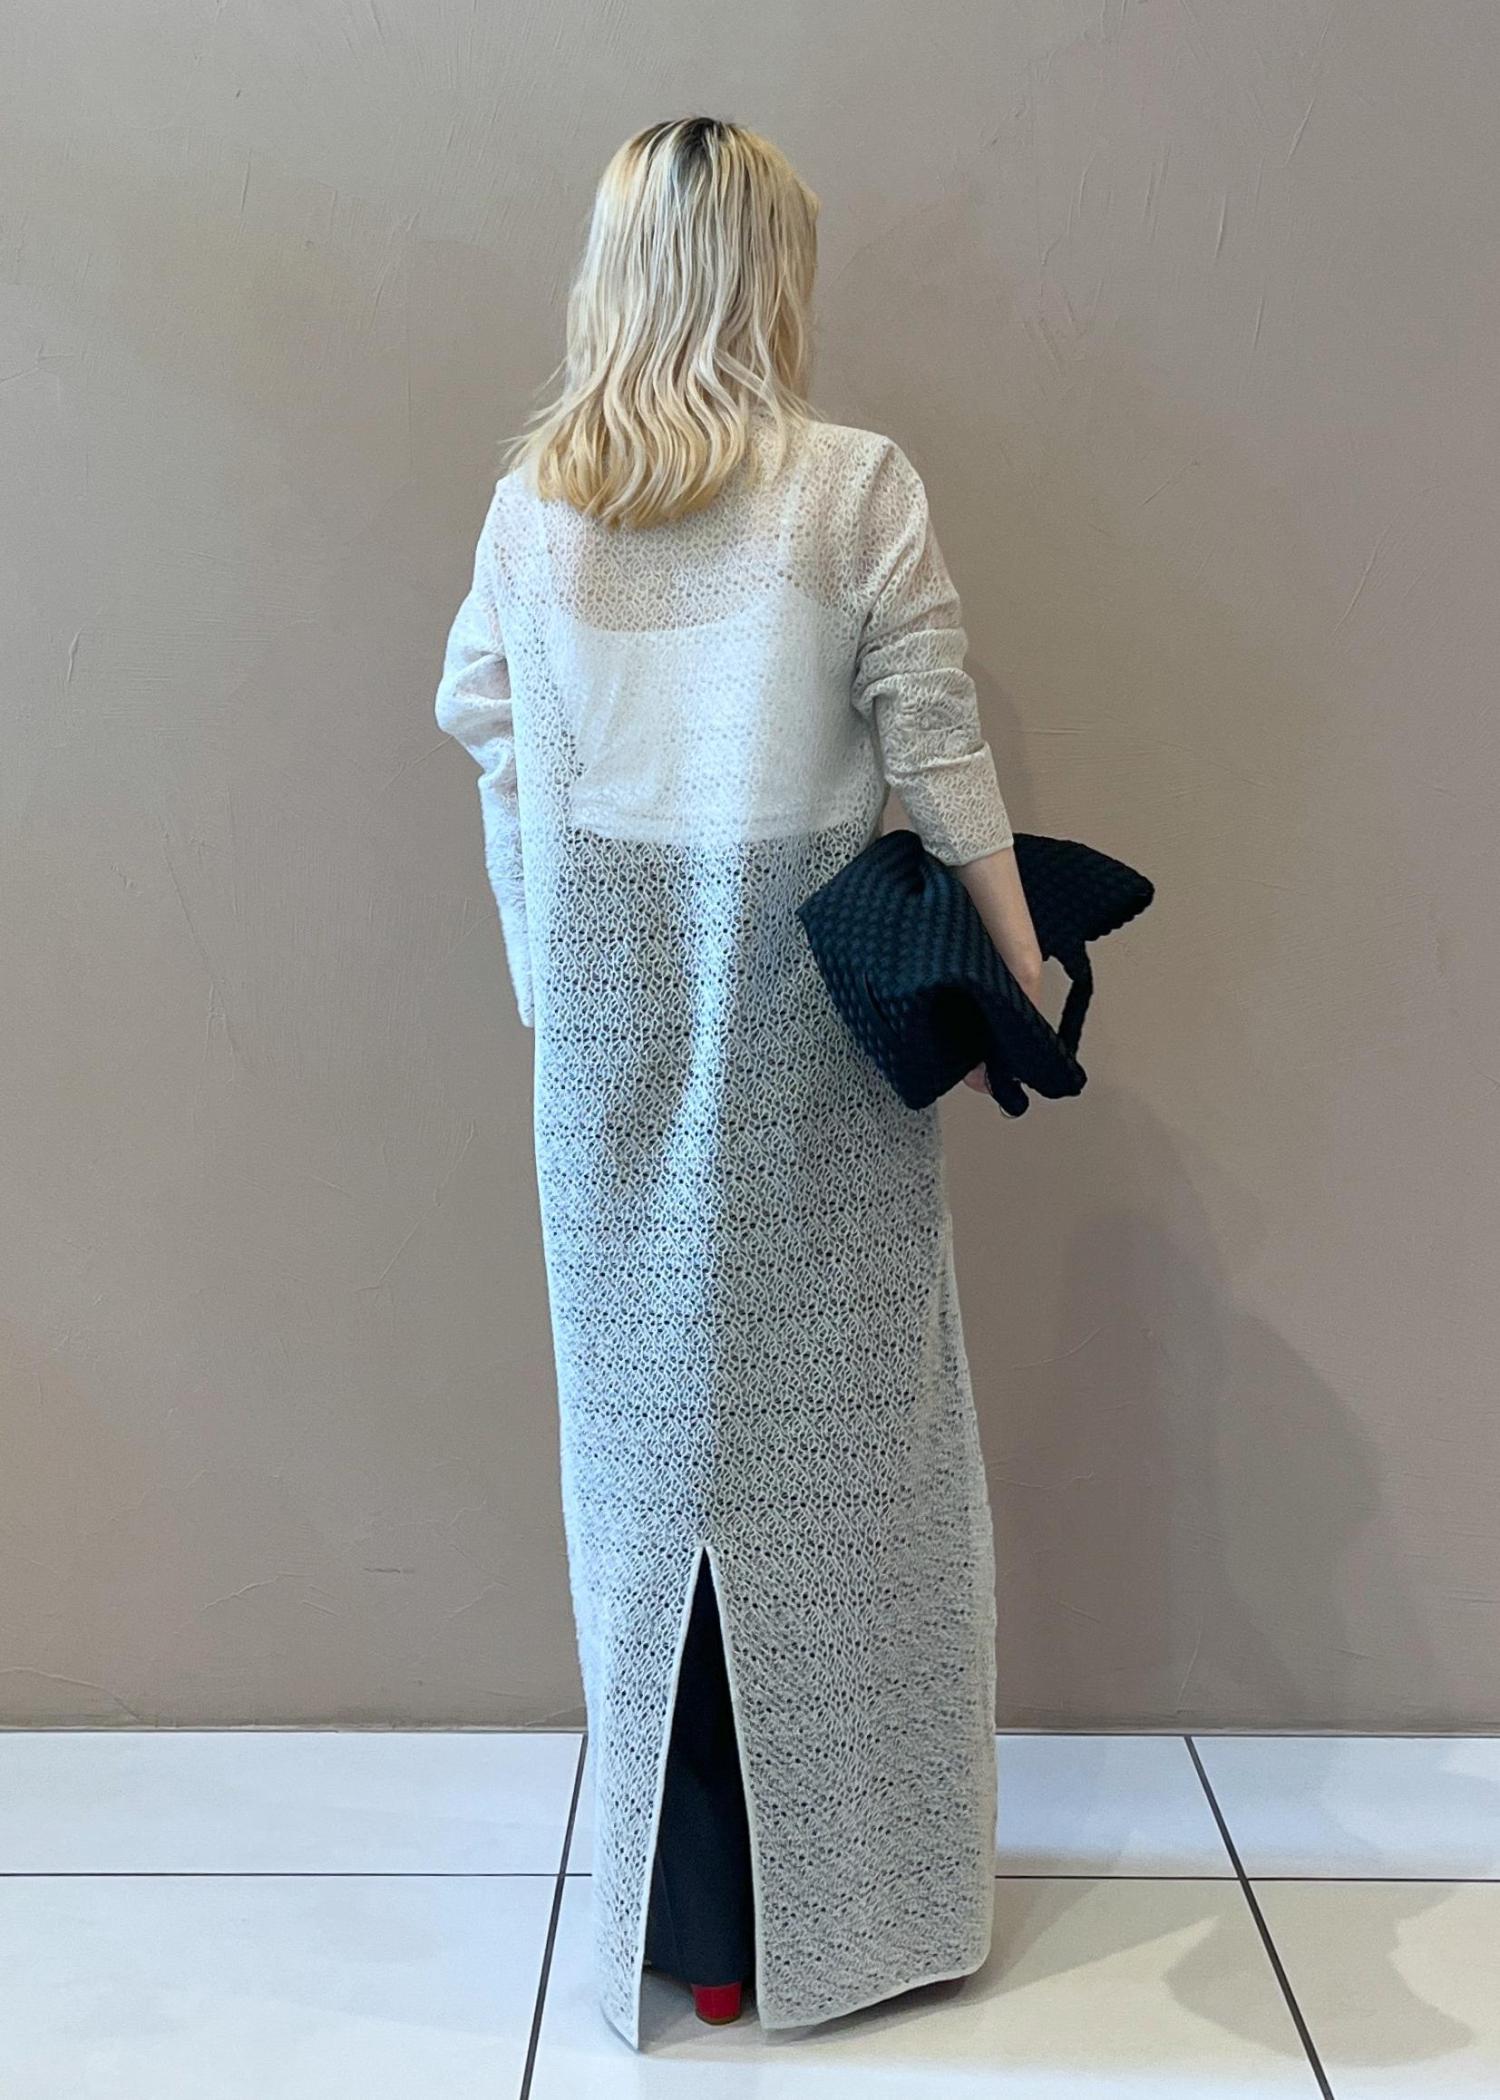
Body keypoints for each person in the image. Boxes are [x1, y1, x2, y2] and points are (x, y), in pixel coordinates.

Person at [433, 115, 1045, 2053]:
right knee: (856, 1473)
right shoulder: (854, 489)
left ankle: (686, 1914)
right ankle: (851, 1911)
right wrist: (1023, 972)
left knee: (647, 1481)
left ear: (616, 271)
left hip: (609, 1056)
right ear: (772, 272)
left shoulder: (534, 508)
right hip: (817, 1057)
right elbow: (936, 749)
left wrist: (553, 985)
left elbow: (484, 725)